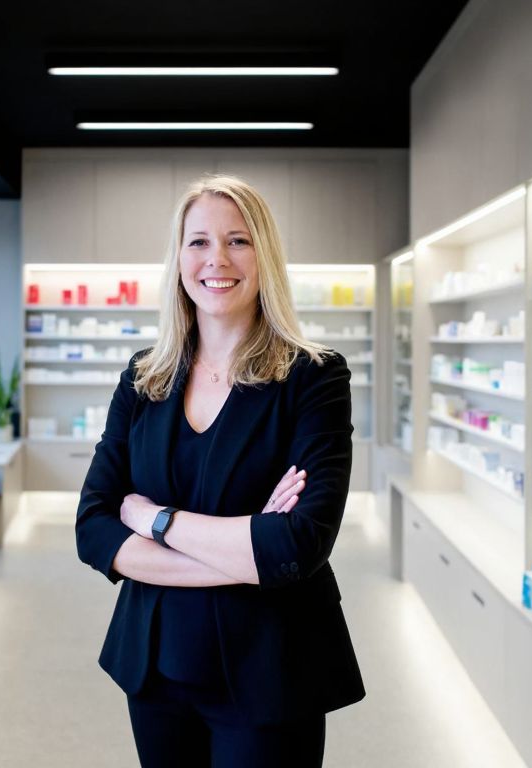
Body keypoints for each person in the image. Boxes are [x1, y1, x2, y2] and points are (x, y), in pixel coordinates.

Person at [75, 174, 365, 767]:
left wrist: (154, 519)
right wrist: (245, 553)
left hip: (270, 669)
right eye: (199, 242)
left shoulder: (313, 378)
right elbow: (94, 526)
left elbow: (298, 544)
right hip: (156, 664)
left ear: (265, 256)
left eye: (238, 241)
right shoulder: (144, 376)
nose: (217, 260)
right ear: (178, 258)